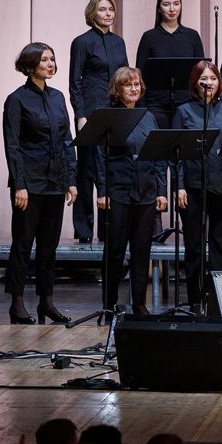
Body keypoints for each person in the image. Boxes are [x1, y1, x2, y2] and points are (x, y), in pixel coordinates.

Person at [3, 43, 77, 324]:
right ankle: (17, 303)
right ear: (30, 64)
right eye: (44, 59)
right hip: (29, 183)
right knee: (22, 244)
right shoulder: (16, 99)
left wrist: (71, 179)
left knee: (49, 245)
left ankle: (46, 302)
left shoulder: (58, 97)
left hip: (56, 181)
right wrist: (19, 185)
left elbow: (67, 140)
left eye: (52, 59)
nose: (50, 63)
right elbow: (12, 146)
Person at [171, 61, 222, 311]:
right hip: (193, 187)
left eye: (214, 78)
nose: (210, 83)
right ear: (196, 83)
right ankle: (195, 301)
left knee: (220, 246)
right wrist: (179, 185)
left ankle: (217, 301)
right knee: (194, 246)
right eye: (204, 78)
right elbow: (176, 154)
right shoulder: (184, 111)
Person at [95, 68, 167, 313]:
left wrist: (161, 190)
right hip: (118, 191)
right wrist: (102, 191)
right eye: (128, 85)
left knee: (141, 250)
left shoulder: (148, 116)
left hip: (146, 192)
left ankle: (139, 303)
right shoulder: (108, 117)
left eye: (137, 84)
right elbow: (100, 156)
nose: (134, 88)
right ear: (118, 90)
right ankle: (109, 304)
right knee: (115, 251)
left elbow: (158, 154)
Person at [69, 0, 129, 244]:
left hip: (115, 112)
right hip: (90, 111)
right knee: (87, 171)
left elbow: (126, 77)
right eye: (103, 10)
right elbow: (75, 82)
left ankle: (108, 231)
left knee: (112, 169)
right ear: (93, 13)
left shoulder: (119, 42)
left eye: (111, 10)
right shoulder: (82, 42)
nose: (108, 14)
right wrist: (80, 115)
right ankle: (83, 231)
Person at [135, 0, 206, 128]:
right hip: (156, 104)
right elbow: (140, 75)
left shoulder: (192, 36)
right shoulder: (149, 37)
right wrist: (141, 108)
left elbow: (201, 72)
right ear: (159, 8)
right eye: (166, 4)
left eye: (176, 3)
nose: (172, 9)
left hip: (188, 103)